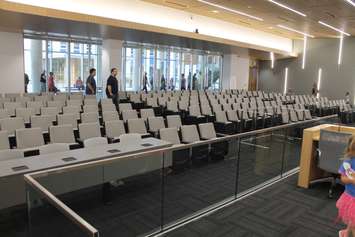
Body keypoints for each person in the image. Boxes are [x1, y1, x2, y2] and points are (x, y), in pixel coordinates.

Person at [337, 136, 355, 237]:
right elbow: (343, 178)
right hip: (352, 198)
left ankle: (345, 234)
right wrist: (352, 180)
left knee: (353, 221)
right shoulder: (349, 161)